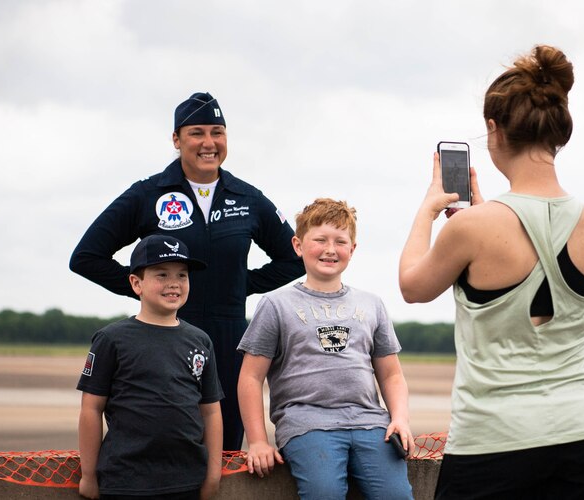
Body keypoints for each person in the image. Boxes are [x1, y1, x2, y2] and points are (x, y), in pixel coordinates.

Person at [399, 45, 584, 499]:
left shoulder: (477, 226)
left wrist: (427, 209)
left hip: (495, 441)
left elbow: (412, 286)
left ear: (494, 130)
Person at [70, 92, 305, 451]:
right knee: (161, 438)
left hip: (229, 339)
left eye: (217, 132)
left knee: (224, 445)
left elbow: (295, 258)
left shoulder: (247, 198)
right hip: (161, 337)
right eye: (197, 133)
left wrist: (241, 284)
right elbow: (86, 257)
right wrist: (144, 289)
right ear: (177, 140)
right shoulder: (147, 194)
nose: (208, 143)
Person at [237, 198, 414, 500]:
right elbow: (250, 378)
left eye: (340, 242)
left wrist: (399, 417)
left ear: (353, 249)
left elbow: (391, 374)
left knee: (396, 495)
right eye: (320, 240)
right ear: (298, 245)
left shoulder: (371, 304)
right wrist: (257, 441)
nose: (330, 249)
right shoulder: (275, 305)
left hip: (370, 422)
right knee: (325, 493)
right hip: (306, 424)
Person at [77, 234, 223, 499]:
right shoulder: (111, 339)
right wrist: (88, 475)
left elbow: (211, 412)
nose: (174, 284)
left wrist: (213, 474)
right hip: (125, 481)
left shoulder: (200, 340)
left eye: (182, 275)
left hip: (187, 480)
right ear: (136, 283)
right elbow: (91, 408)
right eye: (162, 275)